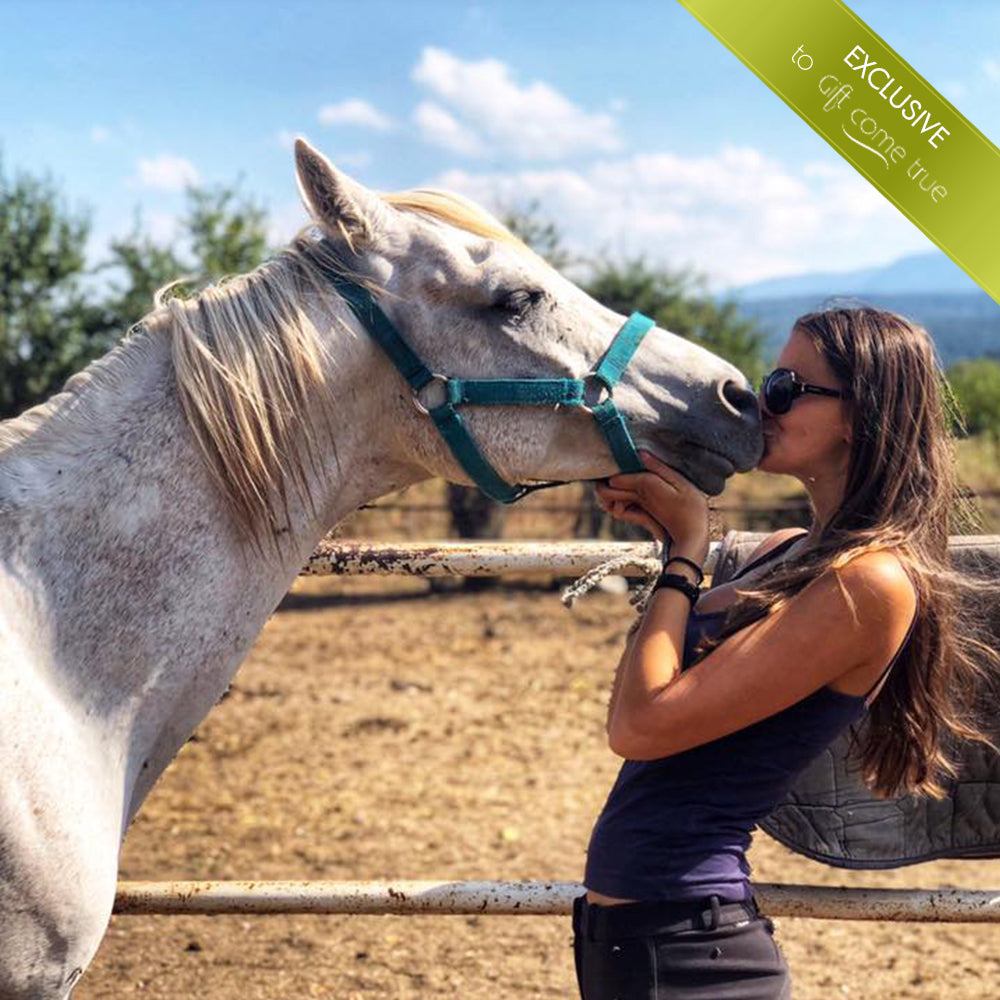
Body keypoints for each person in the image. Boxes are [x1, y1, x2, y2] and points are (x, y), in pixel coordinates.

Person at [575, 307, 991, 1000]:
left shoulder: (869, 582)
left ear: (861, 416)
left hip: (690, 949)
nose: (759, 402)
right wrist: (677, 547)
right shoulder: (783, 556)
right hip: (641, 938)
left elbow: (639, 726)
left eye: (785, 388)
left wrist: (685, 557)